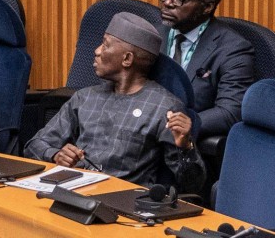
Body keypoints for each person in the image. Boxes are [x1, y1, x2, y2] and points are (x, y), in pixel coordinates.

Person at [25, 12, 205, 191]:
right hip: (73, 192)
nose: (96, 51)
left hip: (124, 201)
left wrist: (186, 147)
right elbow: (33, 146)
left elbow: (192, 184)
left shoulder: (164, 107)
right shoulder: (84, 97)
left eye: (105, 45)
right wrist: (55, 154)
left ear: (127, 59)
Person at [157, 0, 255, 138]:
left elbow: (231, 112)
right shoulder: (152, 33)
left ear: (207, 6)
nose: (168, 3)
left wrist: (186, 125)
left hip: (183, 147)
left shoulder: (233, 49)